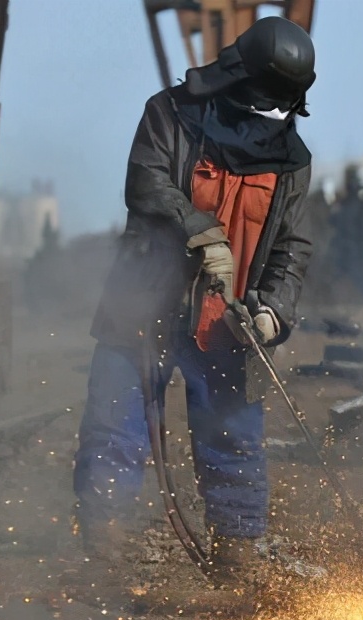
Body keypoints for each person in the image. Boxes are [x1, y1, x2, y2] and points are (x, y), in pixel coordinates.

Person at [72, 16, 317, 586]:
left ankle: (238, 557)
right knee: (117, 428)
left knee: (233, 436)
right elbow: (146, 184)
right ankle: (103, 559)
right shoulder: (171, 115)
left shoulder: (293, 161)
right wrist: (201, 234)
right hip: (144, 305)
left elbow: (292, 248)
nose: (271, 115)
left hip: (227, 325)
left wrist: (270, 311)